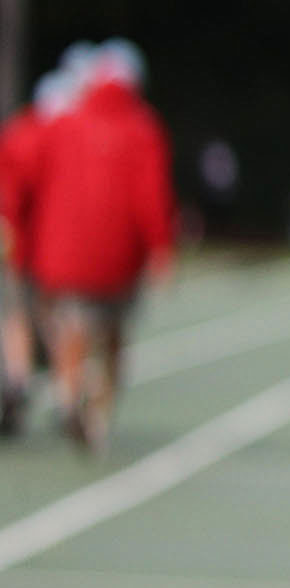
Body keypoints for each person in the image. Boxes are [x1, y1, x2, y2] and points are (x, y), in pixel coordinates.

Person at [24, 39, 176, 453]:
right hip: (121, 257)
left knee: (72, 325)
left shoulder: (64, 123)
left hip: (64, 250)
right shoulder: (143, 128)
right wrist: (161, 248)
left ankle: (69, 394)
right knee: (112, 334)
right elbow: (151, 195)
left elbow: (26, 176)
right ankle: (99, 413)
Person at [0, 47, 89, 438]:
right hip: (60, 248)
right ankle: (65, 396)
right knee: (58, 320)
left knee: (19, 314)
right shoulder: (74, 137)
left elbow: (9, 191)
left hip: (25, 243)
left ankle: (19, 380)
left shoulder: (22, 133)